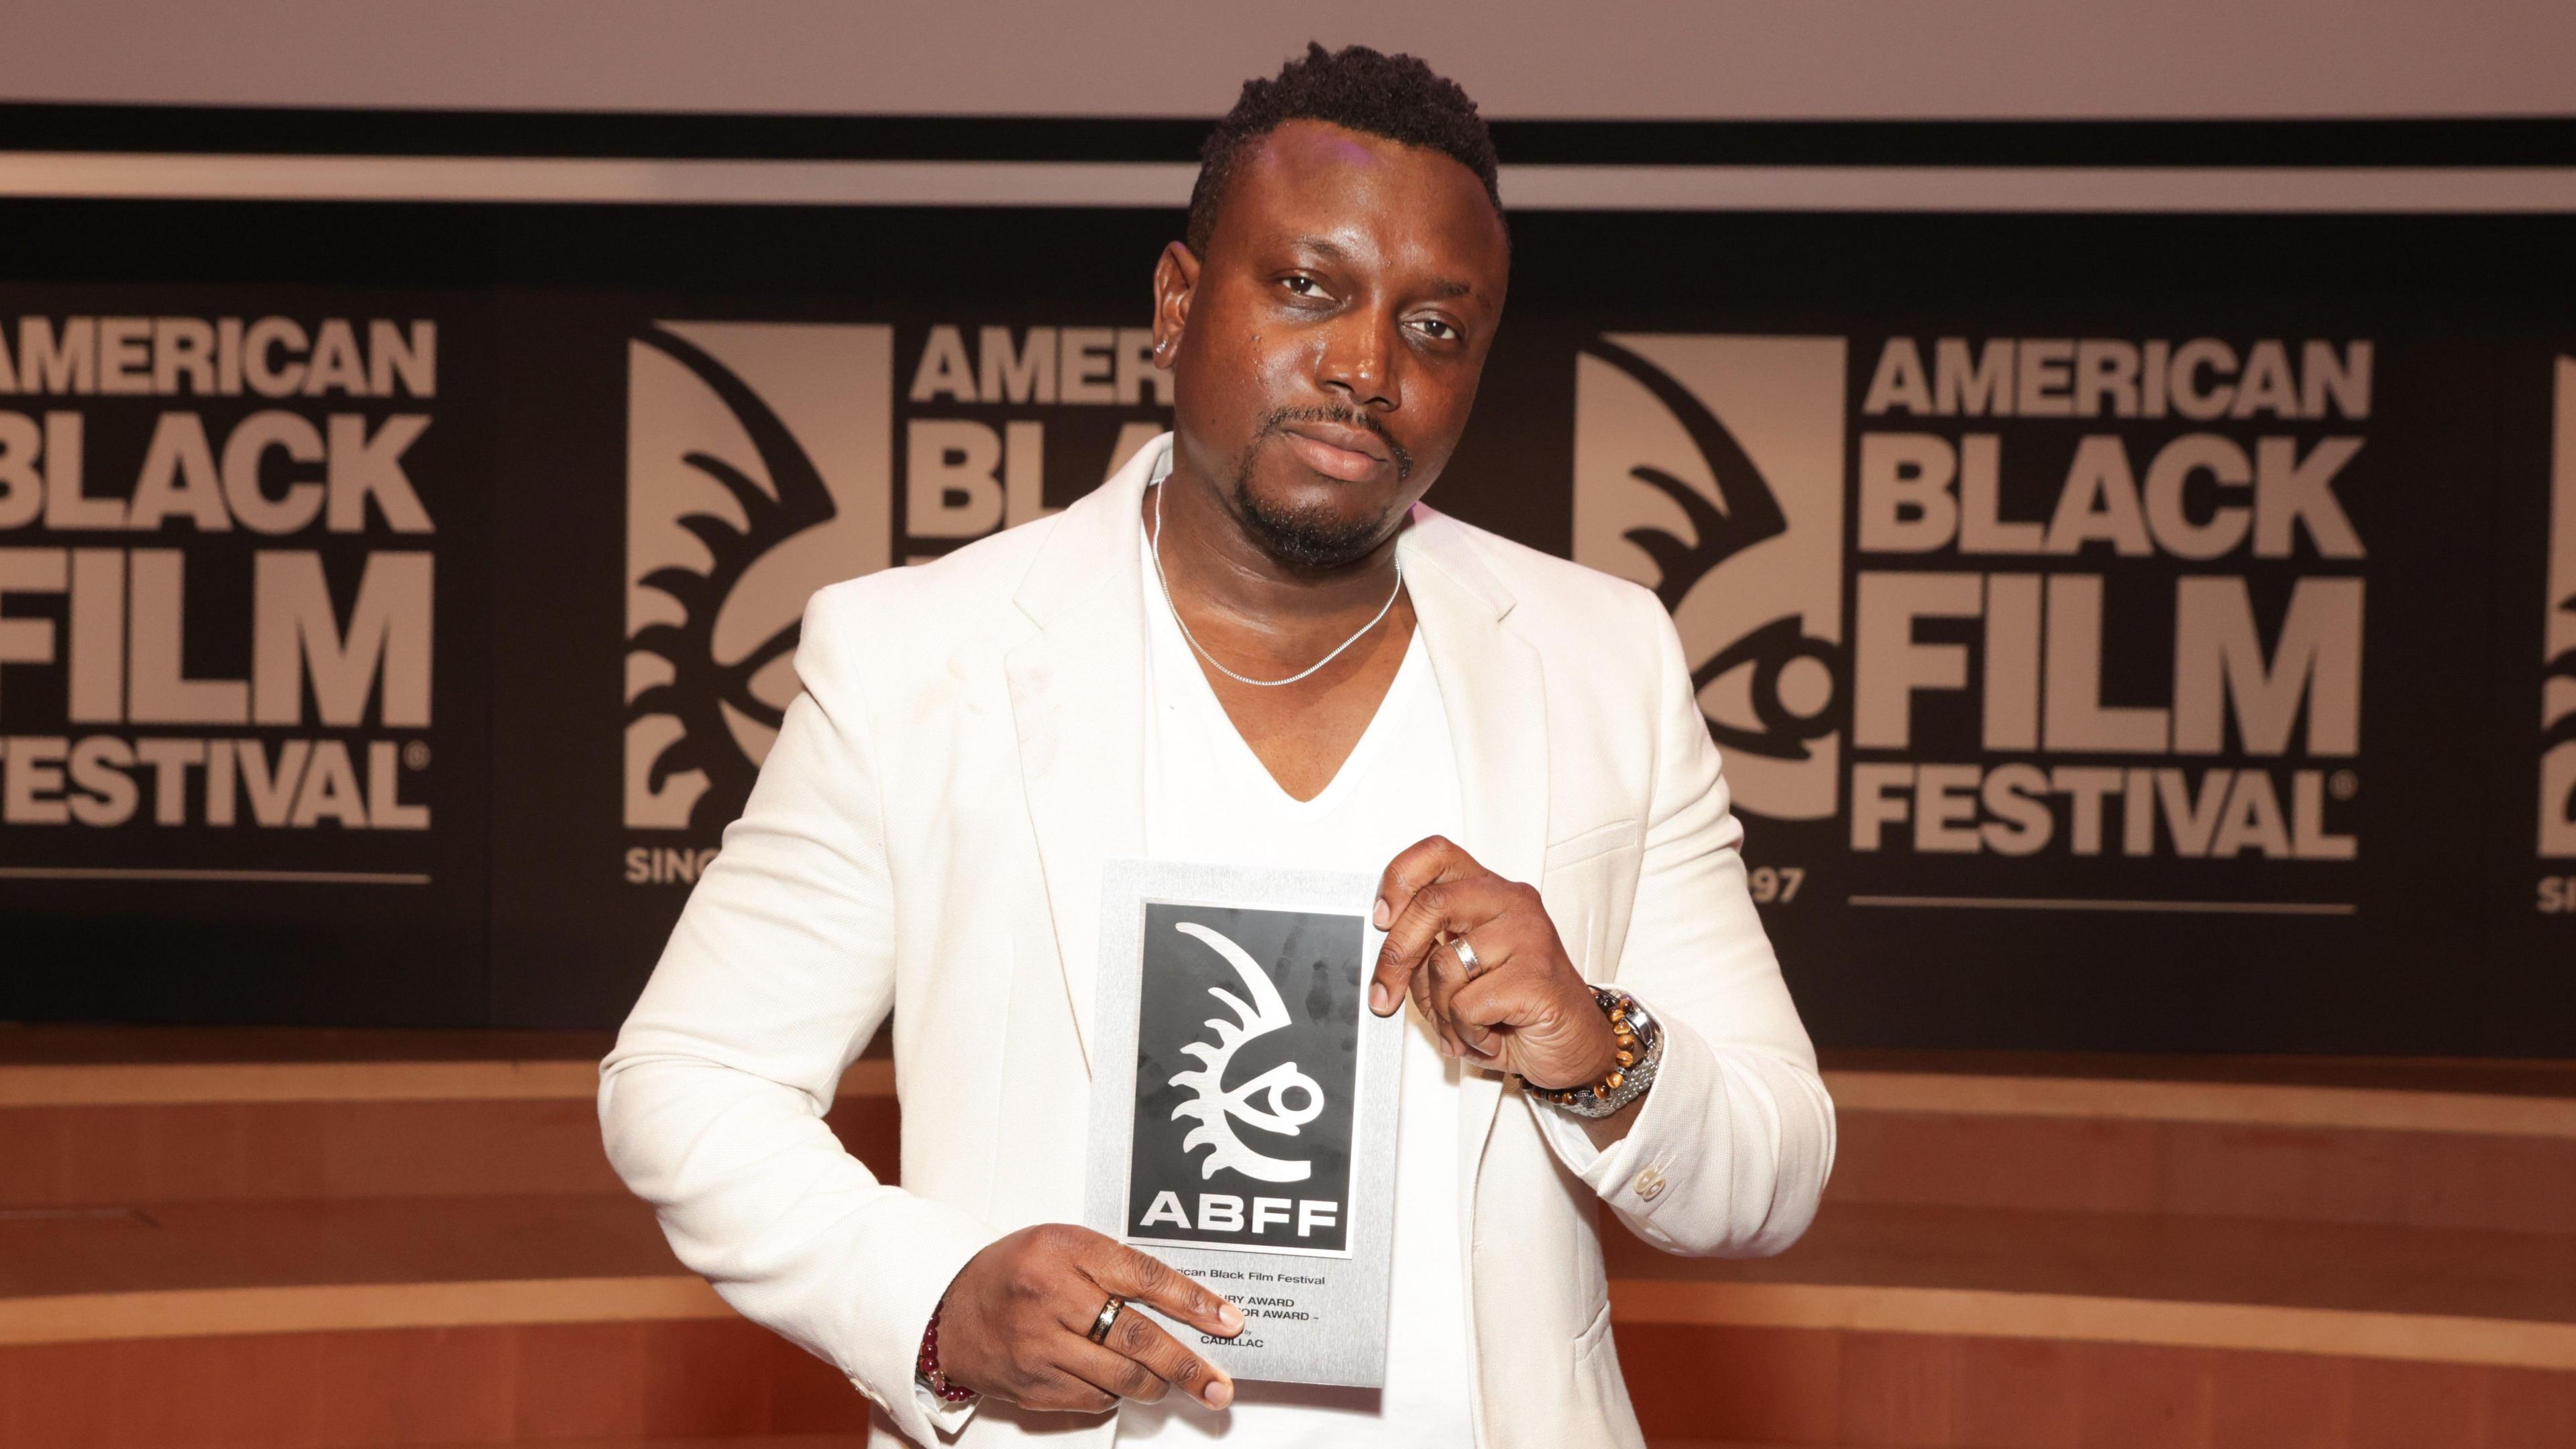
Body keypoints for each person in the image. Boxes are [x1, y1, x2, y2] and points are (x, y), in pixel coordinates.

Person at [600, 42, 1834, 1449]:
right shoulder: (916, 660)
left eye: (1436, 327)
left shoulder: (1603, 661)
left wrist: (1597, 1046)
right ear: (1178, 303)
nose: (1367, 365)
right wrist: (936, 1301)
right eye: (1308, 288)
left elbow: (1776, 1169)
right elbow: (688, 1084)